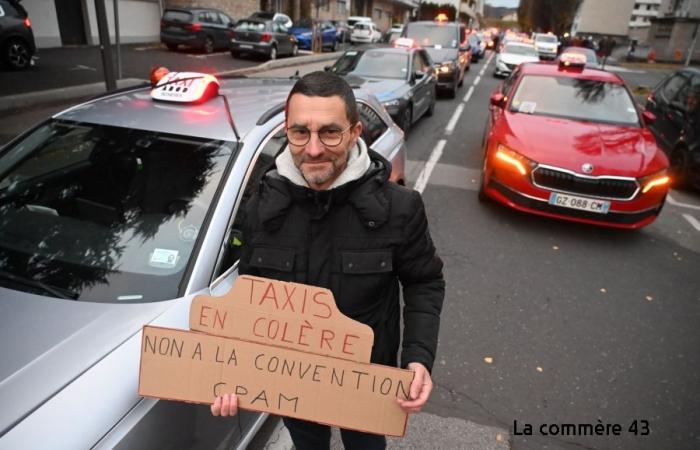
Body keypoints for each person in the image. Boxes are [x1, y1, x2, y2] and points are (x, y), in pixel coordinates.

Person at [211, 71, 445, 450]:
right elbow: (248, 297)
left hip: (368, 383)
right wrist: (232, 373)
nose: (314, 148)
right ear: (287, 131)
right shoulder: (261, 209)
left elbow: (424, 281)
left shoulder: (400, 209)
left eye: (330, 132)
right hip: (292, 385)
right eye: (300, 132)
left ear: (355, 132)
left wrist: (417, 357)